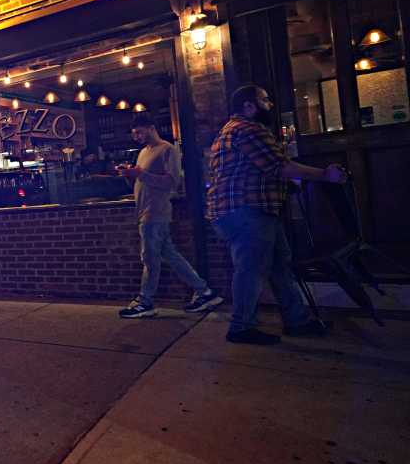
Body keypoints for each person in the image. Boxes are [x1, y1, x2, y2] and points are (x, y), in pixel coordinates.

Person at [207, 85, 347, 345]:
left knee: (279, 265)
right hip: (248, 210)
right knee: (251, 269)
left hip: (246, 210)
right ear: (249, 106)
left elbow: (258, 169)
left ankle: (297, 321)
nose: (270, 104)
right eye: (265, 100)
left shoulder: (230, 130)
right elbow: (279, 167)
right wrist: (325, 175)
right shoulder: (249, 129)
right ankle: (241, 327)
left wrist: (288, 184)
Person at [118, 113, 221, 318]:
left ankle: (145, 301)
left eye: (139, 132)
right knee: (170, 256)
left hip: (156, 212)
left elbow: (172, 182)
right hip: (144, 211)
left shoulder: (168, 150)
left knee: (150, 258)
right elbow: (142, 181)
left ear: (151, 127)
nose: (136, 137)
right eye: (134, 134)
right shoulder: (143, 153)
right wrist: (130, 175)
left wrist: (140, 174)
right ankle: (204, 291)